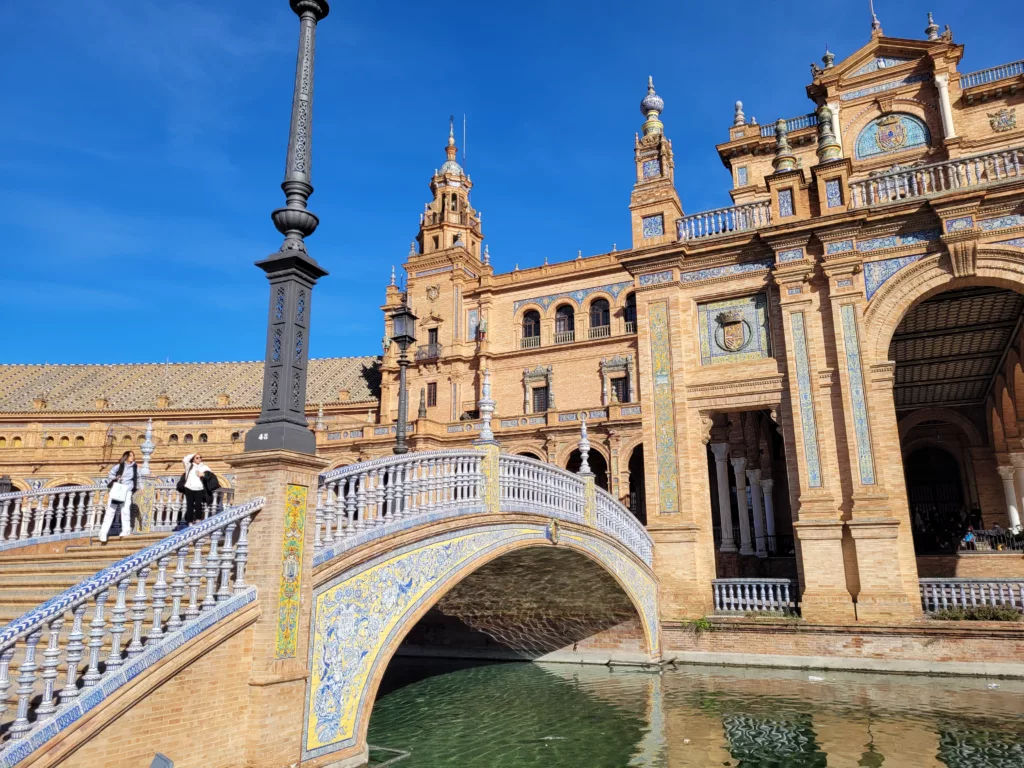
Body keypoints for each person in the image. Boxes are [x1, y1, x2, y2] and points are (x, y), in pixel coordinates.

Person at [100, 450, 138, 543]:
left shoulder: (135, 467)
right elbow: (110, 474)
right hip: (117, 489)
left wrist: (138, 488)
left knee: (125, 510)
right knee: (111, 511)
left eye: (133, 456)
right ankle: (103, 532)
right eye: (130, 456)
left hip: (127, 491)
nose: (132, 457)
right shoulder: (119, 466)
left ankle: (126, 530)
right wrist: (116, 478)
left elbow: (139, 477)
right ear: (126, 457)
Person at [181, 452, 212, 526]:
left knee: (198, 504)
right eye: (197, 458)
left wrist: (203, 474)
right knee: (190, 505)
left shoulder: (204, 467)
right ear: (193, 459)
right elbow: (185, 460)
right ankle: (190, 521)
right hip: (189, 487)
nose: (199, 459)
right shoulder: (189, 466)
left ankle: (198, 519)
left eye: (200, 457)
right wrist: (194, 453)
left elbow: (210, 475)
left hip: (199, 488)